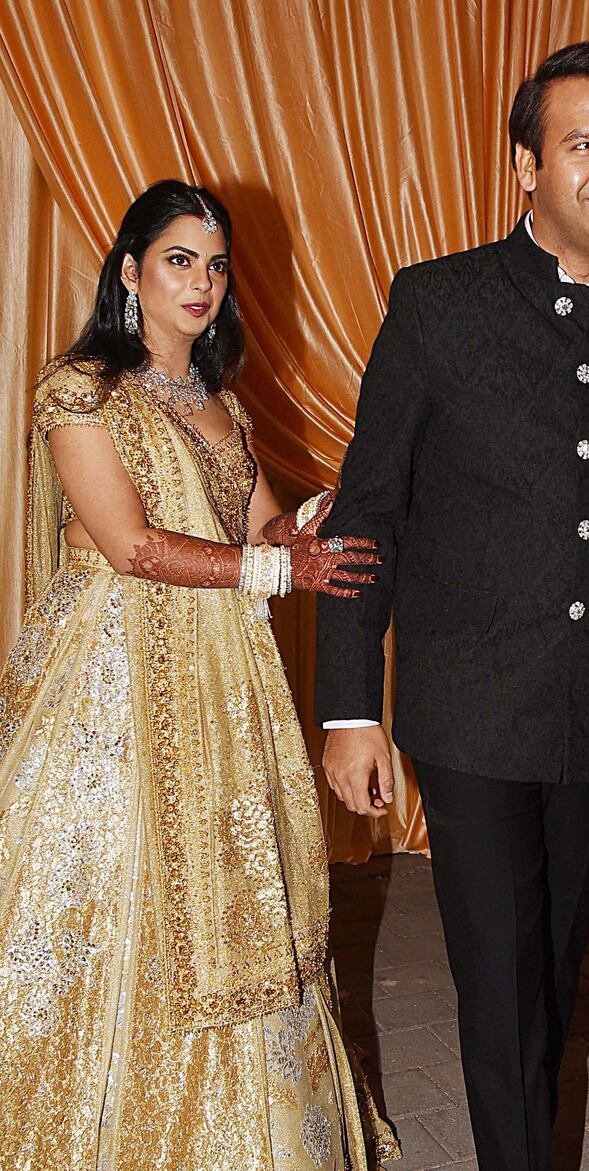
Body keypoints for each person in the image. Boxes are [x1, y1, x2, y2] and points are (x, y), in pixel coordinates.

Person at [316, 41, 589, 1171]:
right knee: (500, 990)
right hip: (468, 714)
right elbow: (366, 518)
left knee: (546, 980)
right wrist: (350, 704)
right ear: (523, 167)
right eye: (581, 144)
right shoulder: (438, 304)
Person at [0, 179, 398, 1170]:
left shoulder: (219, 403)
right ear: (130, 272)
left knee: (238, 898)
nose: (203, 282)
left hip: (221, 682)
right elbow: (129, 545)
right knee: (109, 896)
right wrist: (277, 565)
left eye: (215, 265)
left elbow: (261, 526)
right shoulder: (78, 389)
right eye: (180, 259)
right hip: (111, 687)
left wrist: (330, 510)